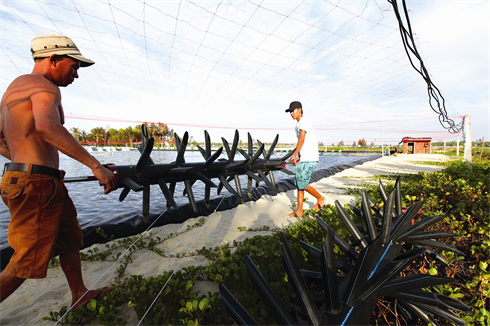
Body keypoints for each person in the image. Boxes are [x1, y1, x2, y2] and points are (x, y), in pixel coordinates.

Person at [0, 34, 117, 310]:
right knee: (28, 258)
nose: (76, 74)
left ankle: (79, 293)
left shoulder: (13, 90)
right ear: (53, 60)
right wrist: (95, 165)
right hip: (36, 183)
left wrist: (22, 160)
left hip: (30, 179)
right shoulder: (46, 88)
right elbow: (47, 126)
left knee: (68, 238)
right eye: (74, 66)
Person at [285, 101, 325, 217]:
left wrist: (294, 153)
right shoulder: (297, 124)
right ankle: (299, 211)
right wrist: (298, 157)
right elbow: (303, 143)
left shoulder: (304, 121)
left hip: (310, 158)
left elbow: (301, 139)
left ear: (299, 110)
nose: (291, 113)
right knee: (299, 183)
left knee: (302, 184)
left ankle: (320, 198)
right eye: (290, 112)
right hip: (304, 157)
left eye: (292, 111)